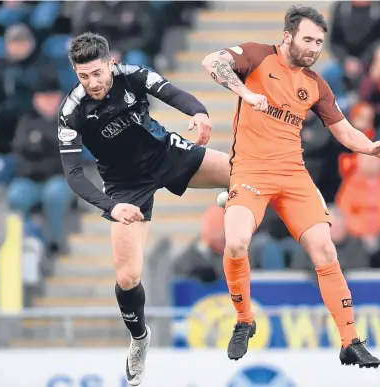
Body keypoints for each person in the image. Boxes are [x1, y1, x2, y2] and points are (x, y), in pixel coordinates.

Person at [202, 5, 380, 367]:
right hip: (250, 170)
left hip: (293, 175)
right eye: (308, 39)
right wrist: (245, 93)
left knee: (325, 249)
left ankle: (350, 341)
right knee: (236, 242)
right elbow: (211, 62)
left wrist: (370, 146)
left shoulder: (315, 84)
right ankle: (245, 320)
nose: (314, 47)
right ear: (288, 36)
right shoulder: (258, 56)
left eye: (320, 42)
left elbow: (342, 129)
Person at [59, 32, 230, 386]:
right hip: (124, 186)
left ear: (109, 63)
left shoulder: (133, 75)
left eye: (97, 73)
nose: (92, 83)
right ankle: (139, 338)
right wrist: (112, 206)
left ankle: (243, 204)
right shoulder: (71, 112)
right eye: (83, 76)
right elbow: (74, 176)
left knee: (241, 174)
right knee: (127, 277)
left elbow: (173, 93)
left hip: (166, 154)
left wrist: (198, 113)